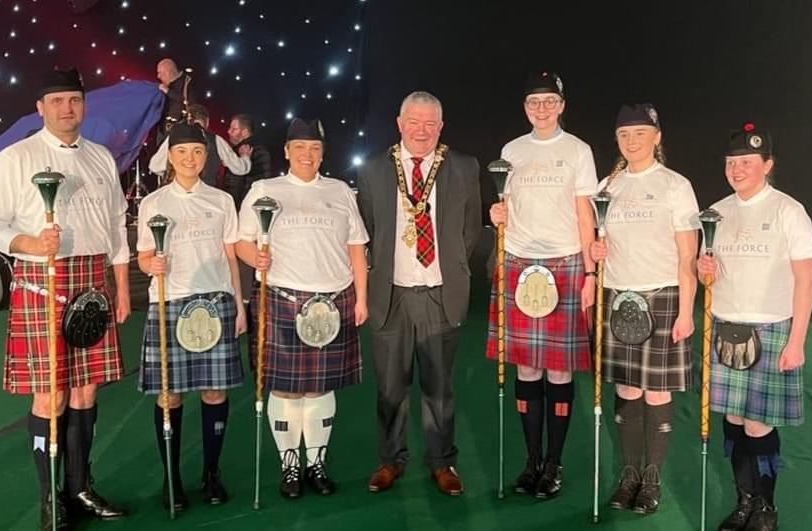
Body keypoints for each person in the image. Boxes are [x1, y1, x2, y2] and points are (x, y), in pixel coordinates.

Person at [0, 68, 129, 530]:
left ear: (84, 105)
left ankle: (79, 488)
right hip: (43, 279)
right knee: (51, 394)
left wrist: (122, 288)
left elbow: (116, 226)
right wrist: (27, 243)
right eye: (58, 100)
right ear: (40, 108)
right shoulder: (16, 157)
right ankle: (51, 500)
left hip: (92, 281)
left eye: (75, 100)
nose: (68, 108)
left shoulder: (101, 157)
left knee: (86, 389)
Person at [357, 91, 482, 496]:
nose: (422, 130)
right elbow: (368, 229)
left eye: (430, 123)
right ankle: (389, 460)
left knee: (439, 388)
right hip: (390, 294)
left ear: (441, 127)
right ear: (399, 123)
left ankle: (442, 462)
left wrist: (449, 268)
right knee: (390, 388)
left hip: (438, 294)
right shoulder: (373, 169)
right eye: (414, 121)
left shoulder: (463, 166)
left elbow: (470, 229)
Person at [236, 118, 369, 498]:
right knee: (288, 389)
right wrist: (255, 257)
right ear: (286, 151)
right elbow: (241, 242)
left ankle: (316, 463)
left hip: (333, 299)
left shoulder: (339, 191)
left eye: (314, 148)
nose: (307, 154)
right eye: (299, 147)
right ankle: (290, 466)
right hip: (282, 298)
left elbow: (356, 248)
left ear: (323, 153)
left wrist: (362, 298)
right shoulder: (265, 190)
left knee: (319, 388)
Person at [697, 123, 812, 531]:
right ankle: (743, 501)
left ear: (767, 165)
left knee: (758, 425)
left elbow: (806, 279)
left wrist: (797, 341)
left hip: (771, 329)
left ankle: (765, 507)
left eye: (747, 162)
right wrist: (702, 268)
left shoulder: (788, 210)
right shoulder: (716, 212)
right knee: (733, 421)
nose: (737, 169)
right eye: (731, 162)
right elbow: (707, 273)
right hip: (726, 328)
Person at [487, 72, 596, 499]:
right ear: (525, 107)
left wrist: (590, 273)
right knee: (527, 368)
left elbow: (585, 213)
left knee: (559, 369)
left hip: (564, 262)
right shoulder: (511, 150)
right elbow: (506, 204)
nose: (542, 108)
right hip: (518, 262)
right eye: (534, 102)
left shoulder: (578, 151)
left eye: (550, 101)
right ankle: (532, 460)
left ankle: (555, 461)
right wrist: (496, 214)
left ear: (562, 105)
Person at [589, 104, 699, 513]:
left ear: (657, 137)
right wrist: (596, 251)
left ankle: (652, 480)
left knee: (656, 391)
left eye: (640, 133)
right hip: (618, 297)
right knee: (626, 389)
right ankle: (629, 475)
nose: (632, 141)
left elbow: (688, 254)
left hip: (662, 296)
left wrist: (686, 311)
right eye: (624, 134)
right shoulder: (608, 185)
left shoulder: (675, 185)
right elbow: (600, 240)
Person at [136, 123, 246, 511]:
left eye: (197, 152)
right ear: (170, 156)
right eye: (182, 152)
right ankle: (172, 478)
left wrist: (240, 304)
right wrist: (151, 264)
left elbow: (231, 255)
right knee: (170, 395)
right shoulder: (153, 203)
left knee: (214, 391)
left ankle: (211, 473)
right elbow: (143, 256)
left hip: (216, 301)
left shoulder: (222, 200)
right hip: (169, 302)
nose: (190, 159)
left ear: (205, 156)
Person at [149, 104, 252, 188]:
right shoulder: (215, 140)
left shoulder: (174, 137)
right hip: (206, 197)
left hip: (178, 195)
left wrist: (172, 173)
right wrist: (245, 156)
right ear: (207, 121)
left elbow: (155, 166)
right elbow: (240, 169)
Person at [226, 113, 273, 210]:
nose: (229, 131)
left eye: (234, 129)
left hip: (245, 207)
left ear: (245, 132)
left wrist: (238, 207)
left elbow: (261, 182)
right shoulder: (235, 151)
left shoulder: (256, 151)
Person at [155, 58, 196, 143]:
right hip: (162, 130)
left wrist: (168, 91)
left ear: (168, 72)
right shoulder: (165, 85)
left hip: (179, 130)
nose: (158, 76)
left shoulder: (187, 83)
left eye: (160, 73)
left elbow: (188, 102)